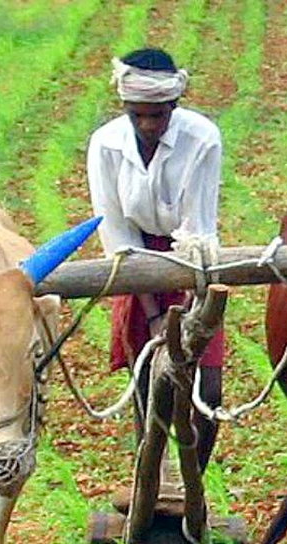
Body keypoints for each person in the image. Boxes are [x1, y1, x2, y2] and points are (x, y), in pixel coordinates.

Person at [87, 47, 225, 493]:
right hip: (137, 263)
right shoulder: (106, 144)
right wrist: (151, 314)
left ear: (174, 106)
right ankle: (152, 484)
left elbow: (197, 229)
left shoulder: (202, 138)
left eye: (158, 116)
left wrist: (188, 319)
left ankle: (192, 489)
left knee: (208, 391)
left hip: (192, 264)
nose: (148, 125)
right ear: (126, 109)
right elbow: (117, 233)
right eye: (139, 115)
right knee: (150, 385)